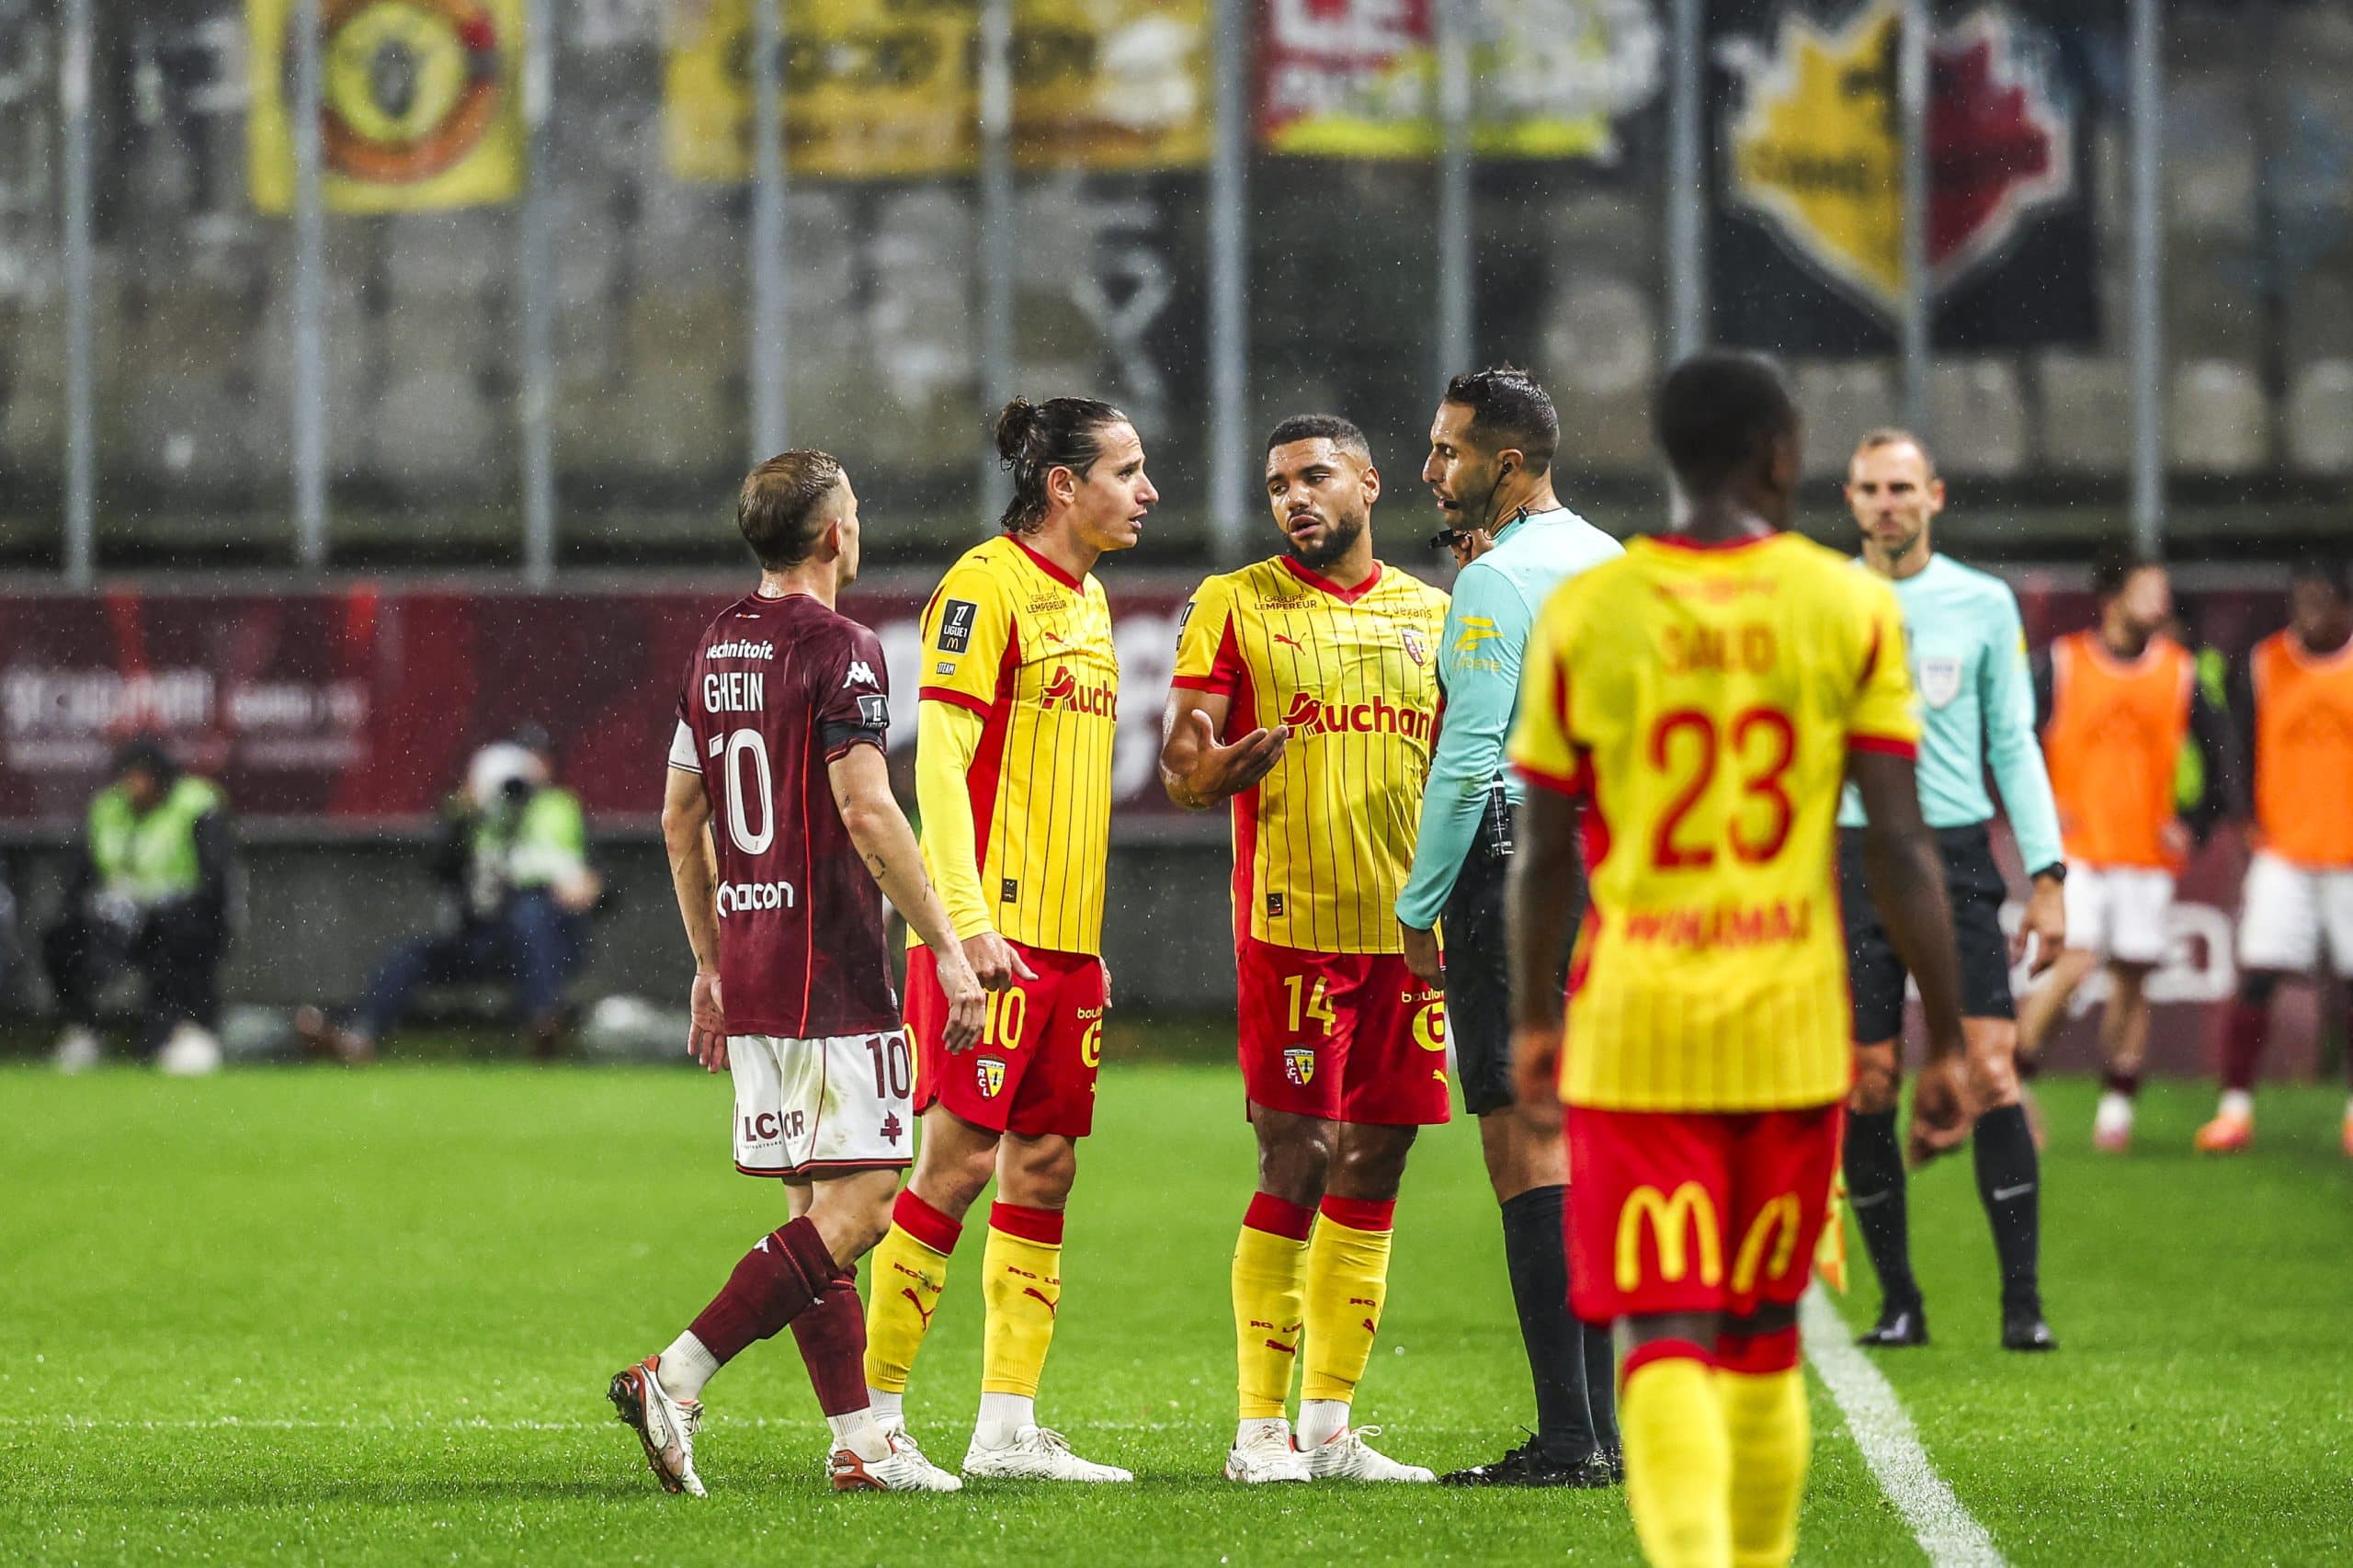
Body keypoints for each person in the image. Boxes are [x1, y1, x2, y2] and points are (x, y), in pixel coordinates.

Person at [1506, 353, 1973, 1568]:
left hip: (1637, 1024)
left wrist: (1529, 1021)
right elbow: (1905, 851)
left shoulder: (1590, 613)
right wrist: (1956, 1039)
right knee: (1765, 1334)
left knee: (1662, 1329)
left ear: (1670, 455)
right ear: (1780, 452)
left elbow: (1543, 852)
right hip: (1788, 1024)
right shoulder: (1846, 607)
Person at [608, 450, 985, 1497]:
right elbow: (867, 809)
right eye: (853, 512)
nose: (856, 528)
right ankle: (675, 1376)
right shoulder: (842, 646)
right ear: (832, 535)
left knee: (814, 1208)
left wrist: (708, 963)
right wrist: (947, 948)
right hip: (832, 964)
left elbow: (681, 818)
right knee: (862, 1203)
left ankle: (860, 1439)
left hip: (758, 961)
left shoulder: (714, 646)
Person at [858, 397, 1153, 1483]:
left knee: (1045, 1164)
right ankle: (875, 1421)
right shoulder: (983, 587)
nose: (1147, 490)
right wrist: (961, 928)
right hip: (990, 937)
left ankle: (1006, 1426)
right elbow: (936, 763)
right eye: (1126, 469)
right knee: (954, 1160)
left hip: (1063, 948)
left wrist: (1085, 942)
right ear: (1063, 485)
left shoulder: (1090, 598)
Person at [1161, 414, 1451, 1485]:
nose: (1295, 497)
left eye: (1315, 476)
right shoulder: (1233, 602)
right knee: (1300, 1155)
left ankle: (1329, 1426)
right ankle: (1256, 1429)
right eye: (1279, 482)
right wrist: (1217, 770)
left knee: (1379, 1156)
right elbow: (1180, 764)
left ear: (1369, 483)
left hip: (1407, 938)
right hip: (1292, 931)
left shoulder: (1437, 614)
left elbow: (1467, 770)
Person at [1393, 367, 1626, 1487]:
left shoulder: (1497, 585)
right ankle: (1610, 1429)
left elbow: (1471, 759)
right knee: (1583, 1136)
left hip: (1521, 863)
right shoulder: (1616, 563)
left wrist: (1416, 903)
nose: (1431, 471)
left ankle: (1568, 1436)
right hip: (1616, 864)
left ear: (1509, 464)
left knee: (1522, 1135)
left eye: (1447, 452)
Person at [1835, 429, 2067, 1353]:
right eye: (1870, 488)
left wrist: (2046, 876)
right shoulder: (1823, 598)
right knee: (1868, 1080)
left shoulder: (1980, 601)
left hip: (1956, 852)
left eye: (1902, 486)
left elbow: (2012, 739)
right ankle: (1900, 1303)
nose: (1886, 502)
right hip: (1852, 857)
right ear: (1850, 500)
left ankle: (2022, 1303)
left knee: (1991, 1068)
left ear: (1934, 495)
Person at [2016, 547, 2233, 1151]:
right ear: (2112, 599)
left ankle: (2116, 1112)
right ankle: (2012, 1080)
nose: (2159, 603)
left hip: (2145, 849)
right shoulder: (2060, 665)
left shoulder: (2180, 672)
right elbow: (2015, 744)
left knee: (2134, 974)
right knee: (2074, 963)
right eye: (2147, 591)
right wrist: (2037, 808)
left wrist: (2196, 821)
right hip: (2076, 847)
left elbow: (2223, 758)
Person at [298, 733, 599, 1062]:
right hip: (479, 938)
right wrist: (466, 812)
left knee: (530, 916)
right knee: (408, 955)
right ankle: (360, 1037)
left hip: (541, 942)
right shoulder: (475, 815)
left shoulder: (559, 808)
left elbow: (595, 881)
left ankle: (544, 1024)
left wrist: (590, 887)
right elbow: (439, 867)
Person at [2197, 554, 2353, 1157]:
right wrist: (2243, 816)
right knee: (2258, 971)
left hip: (2347, 852)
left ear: (2344, 608)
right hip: (2283, 848)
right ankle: (2234, 1110)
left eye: (2320, 604)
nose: (2306, 617)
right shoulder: (2265, 663)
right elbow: (2235, 745)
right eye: (2300, 603)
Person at [46, 734, 235, 1076]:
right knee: (61, 939)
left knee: (183, 935)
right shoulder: (107, 808)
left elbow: (215, 885)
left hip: (179, 918)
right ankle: (84, 1031)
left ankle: (184, 1033)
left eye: (141, 776)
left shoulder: (196, 803)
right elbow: (78, 883)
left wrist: (161, 906)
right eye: (128, 776)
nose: (133, 786)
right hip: (117, 920)